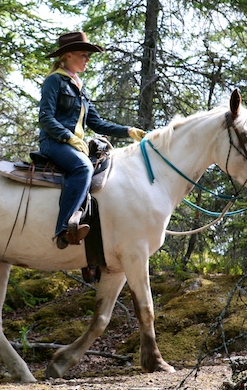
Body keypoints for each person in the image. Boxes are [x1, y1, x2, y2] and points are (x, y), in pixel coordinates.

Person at [39, 31, 146, 249]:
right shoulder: (54, 81)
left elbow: (96, 123)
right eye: (83, 55)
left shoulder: (79, 86)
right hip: (53, 143)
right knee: (83, 168)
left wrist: (128, 131)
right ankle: (63, 229)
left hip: (72, 146)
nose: (88, 59)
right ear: (67, 56)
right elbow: (45, 118)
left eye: (88, 56)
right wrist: (68, 137)